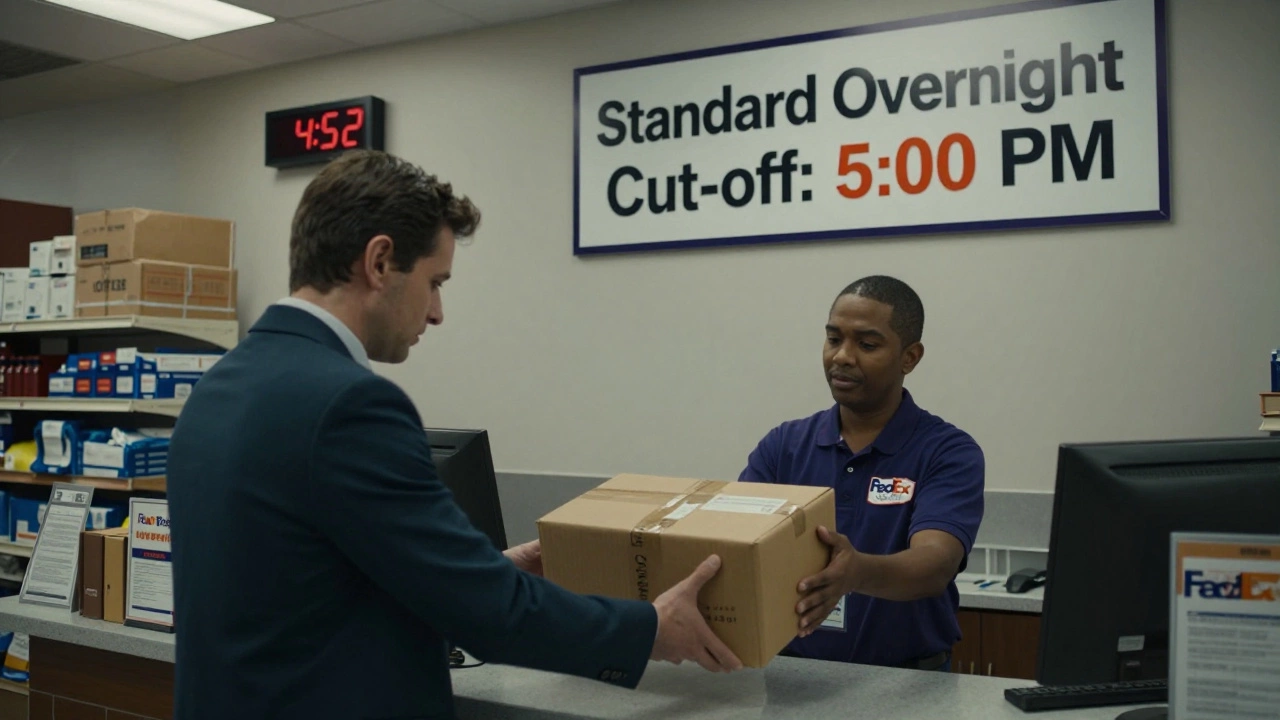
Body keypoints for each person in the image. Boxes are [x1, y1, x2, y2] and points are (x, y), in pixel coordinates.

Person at [166, 150, 742, 720]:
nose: (437, 311)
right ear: (379, 262)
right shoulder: (350, 404)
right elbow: (493, 618)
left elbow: (300, 587)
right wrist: (652, 629)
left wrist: (477, 570)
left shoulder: (218, 388)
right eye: (435, 281)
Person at [739, 275, 984, 671]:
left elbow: (935, 564)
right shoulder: (784, 446)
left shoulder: (947, 451)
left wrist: (856, 573)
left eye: (867, 345)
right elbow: (739, 543)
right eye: (834, 339)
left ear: (909, 357)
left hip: (909, 683)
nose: (842, 356)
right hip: (791, 679)